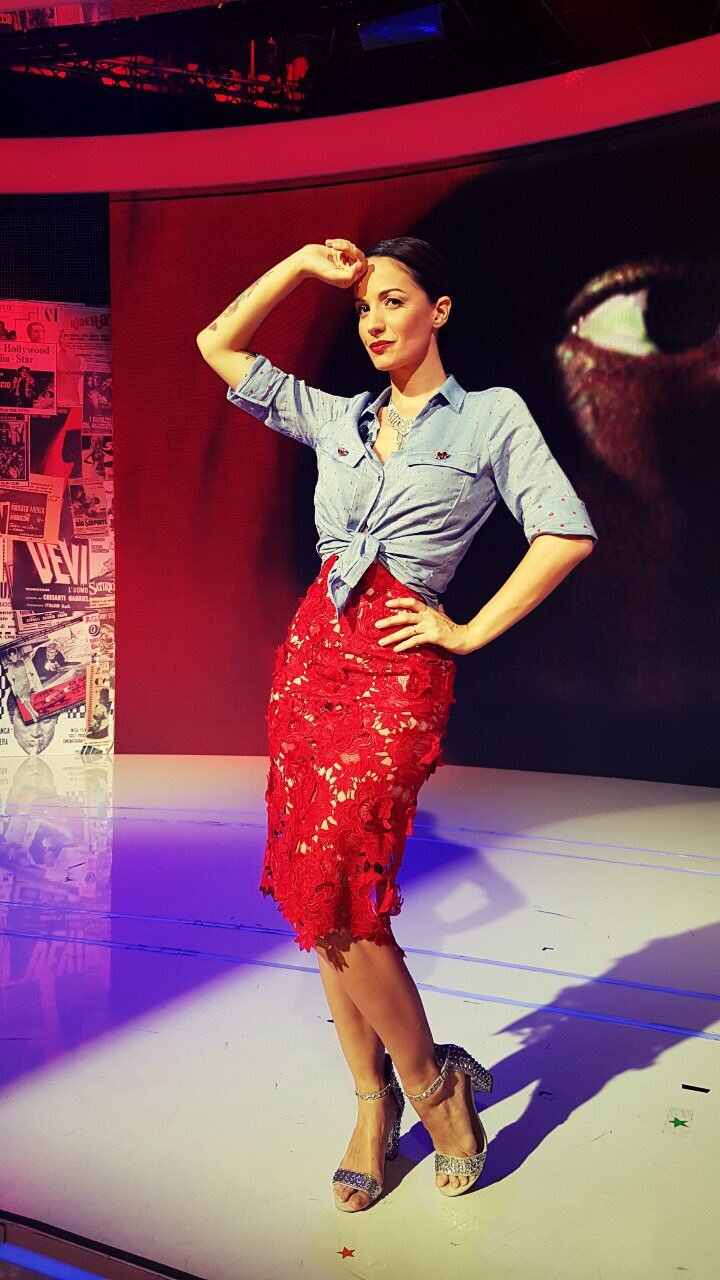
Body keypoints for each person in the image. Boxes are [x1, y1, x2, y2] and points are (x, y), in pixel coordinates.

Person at [197, 236, 597, 1211]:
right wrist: (298, 268)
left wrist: (466, 629)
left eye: (393, 300)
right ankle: (373, 1108)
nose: (374, 320)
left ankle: (433, 1087)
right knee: (317, 892)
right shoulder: (338, 416)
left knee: (343, 876)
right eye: (363, 306)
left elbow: (565, 531)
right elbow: (216, 345)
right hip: (310, 665)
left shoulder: (492, 415)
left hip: (397, 671)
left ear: (439, 309)